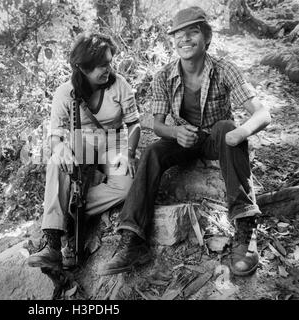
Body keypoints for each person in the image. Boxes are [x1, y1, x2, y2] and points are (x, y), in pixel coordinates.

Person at [99, 6, 271, 277]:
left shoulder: (225, 69)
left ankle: (246, 228)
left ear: (207, 38)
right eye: (179, 34)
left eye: (193, 32)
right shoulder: (164, 76)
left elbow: (262, 113)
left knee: (227, 128)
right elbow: (156, 124)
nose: (185, 39)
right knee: (154, 151)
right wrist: (175, 133)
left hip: (216, 140)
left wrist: (240, 133)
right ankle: (132, 240)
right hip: (182, 142)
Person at [27, 33, 141, 270]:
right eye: (102, 65)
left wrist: (129, 152)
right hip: (84, 143)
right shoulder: (65, 93)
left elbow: (134, 124)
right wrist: (60, 148)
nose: (109, 69)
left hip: (115, 143)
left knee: (125, 187)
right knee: (56, 160)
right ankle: (52, 244)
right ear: (83, 67)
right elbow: (55, 135)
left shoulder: (120, 85)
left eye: (110, 62)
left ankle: (68, 210)